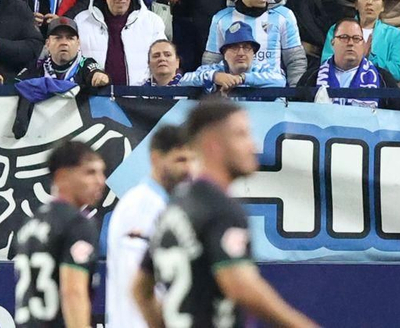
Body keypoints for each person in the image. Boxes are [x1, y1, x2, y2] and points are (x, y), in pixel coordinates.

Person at [135, 100, 319, 327]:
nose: (253, 145)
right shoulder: (221, 209)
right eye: (242, 134)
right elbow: (240, 286)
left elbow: (139, 289)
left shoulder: (174, 206)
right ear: (214, 145)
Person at [103, 124, 193, 328]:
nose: (188, 169)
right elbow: (137, 283)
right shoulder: (142, 207)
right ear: (156, 159)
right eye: (180, 160)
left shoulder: (164, 204)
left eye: (191, 160)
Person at [9, 140, 105, 328]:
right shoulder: (78, 223)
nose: (100, 181)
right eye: (90, 172)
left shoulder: (32, 222)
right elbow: (73, 292)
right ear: (62, 176)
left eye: (102, 172)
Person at [200, 0, 307, 86]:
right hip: (232, 97)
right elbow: (211, 63)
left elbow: (295, 61)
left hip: (272, 98)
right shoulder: (221, 19)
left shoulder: (284, 16)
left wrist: (294, 96)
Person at [73, 0, 166, 84]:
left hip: (138, 99)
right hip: (94, 99)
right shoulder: (81, 21)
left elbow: (163, 61)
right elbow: (74, 61)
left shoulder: (152, 22)